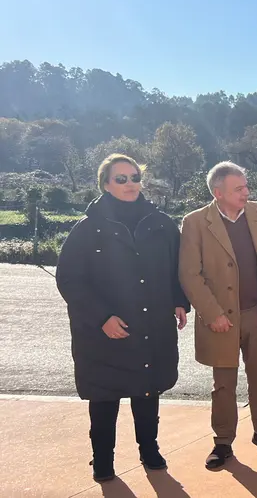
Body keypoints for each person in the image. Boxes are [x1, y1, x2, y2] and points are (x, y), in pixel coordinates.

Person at [56, 154, 189, 482]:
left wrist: (179, 300)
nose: (130, 184)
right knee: (105, 395)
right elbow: (69, 279)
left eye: (135, 177)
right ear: (105, 184)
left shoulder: (161, 224)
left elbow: (178, 268)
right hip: (104, 332)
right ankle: (103, 459)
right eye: (121, 179)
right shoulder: (87, 230)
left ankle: (149, 448)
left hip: (151, 325)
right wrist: (102, 317)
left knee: (148, 390)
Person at [178, 161, 257, 470]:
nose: (246, 192)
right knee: (223, 384)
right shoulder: (195, 222)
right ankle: (223, 441)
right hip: (220, 319)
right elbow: (189, 274)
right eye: (238, 189)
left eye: (246, 186)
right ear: (218, 193)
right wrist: (212, 313)